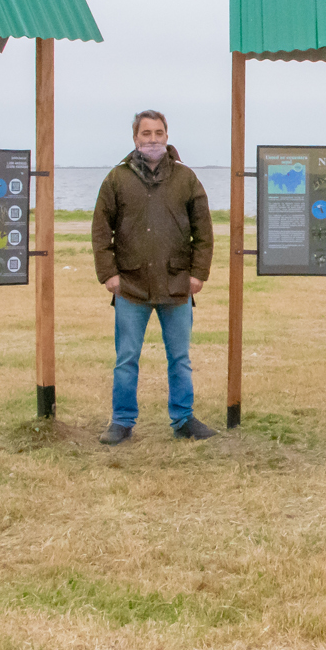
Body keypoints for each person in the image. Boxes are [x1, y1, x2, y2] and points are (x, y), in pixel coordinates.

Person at [91, 110, 216, 444]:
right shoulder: (116, 179)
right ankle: (121, 422)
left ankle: (183, 419)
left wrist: (198, 274)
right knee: (126, 359)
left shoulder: (186, 179)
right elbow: (101, 231)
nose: (153, 139)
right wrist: (109, 275)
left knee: (180, 359)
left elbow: (204, 231)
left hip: (177, 285)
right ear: (135, 138)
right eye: (146, 134)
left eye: (158, 133)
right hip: (130, 286)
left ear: (167, 136)